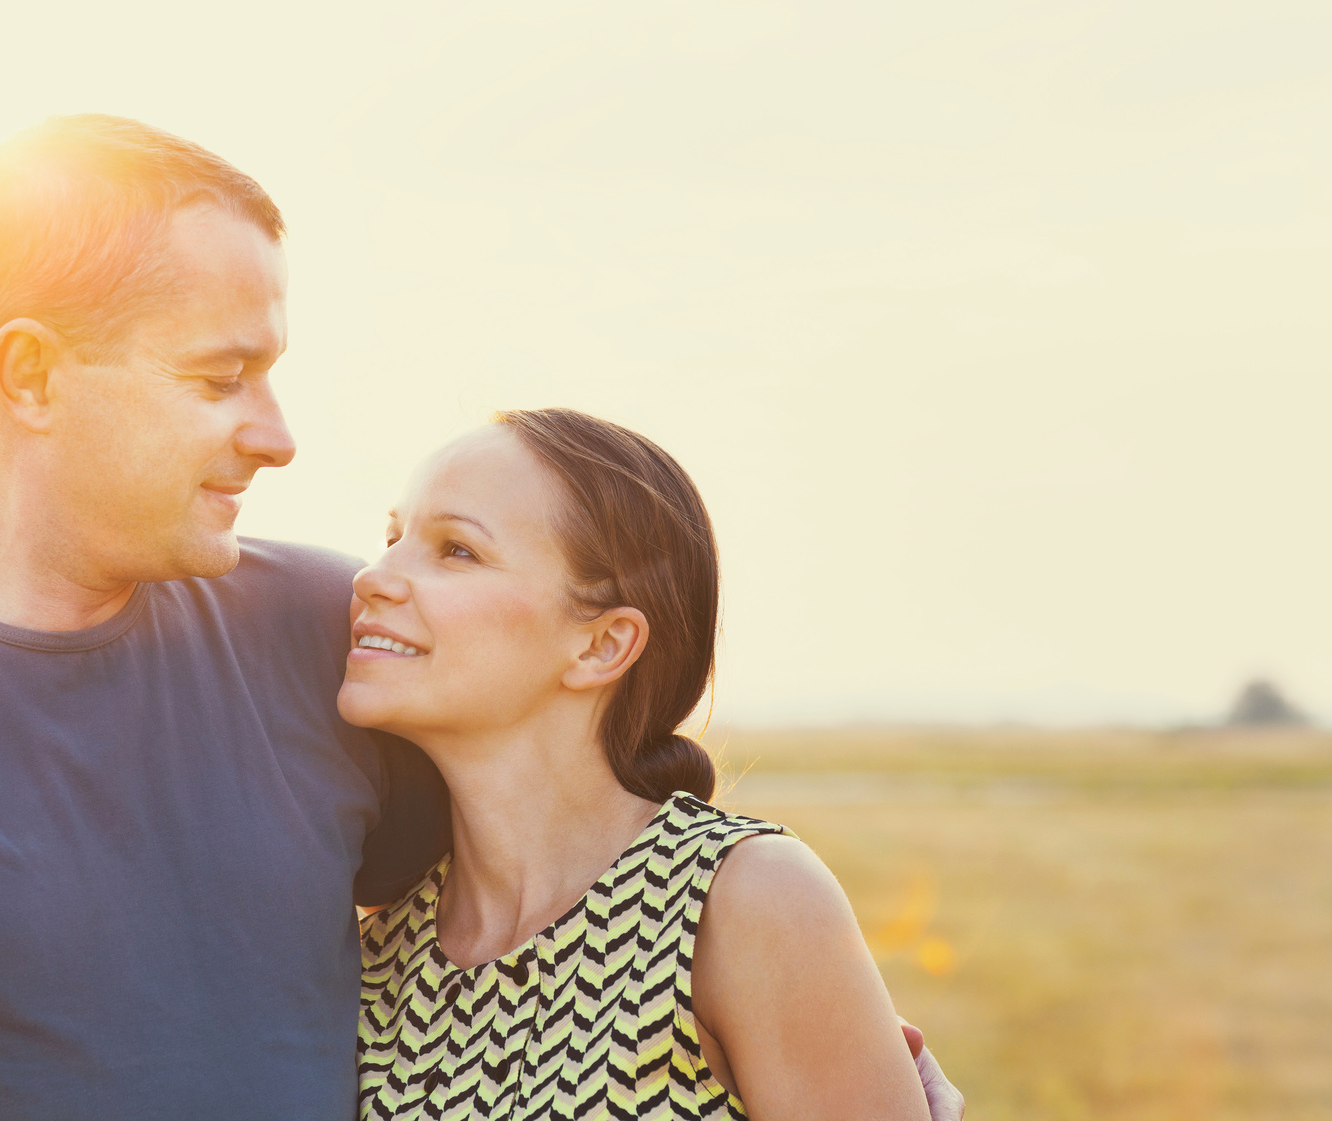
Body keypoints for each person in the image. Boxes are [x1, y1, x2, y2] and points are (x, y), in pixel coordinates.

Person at [0, 115, 449, 1120]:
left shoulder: (335, 630)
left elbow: (576, 881)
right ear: (33, 375)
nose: (276, 435)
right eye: (221, 378)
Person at [343, 409, 944, 1120]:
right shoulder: (377, 947)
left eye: (457, 550)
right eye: (391, 537)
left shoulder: (745, 902)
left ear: (602, 645)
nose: (374, 576)